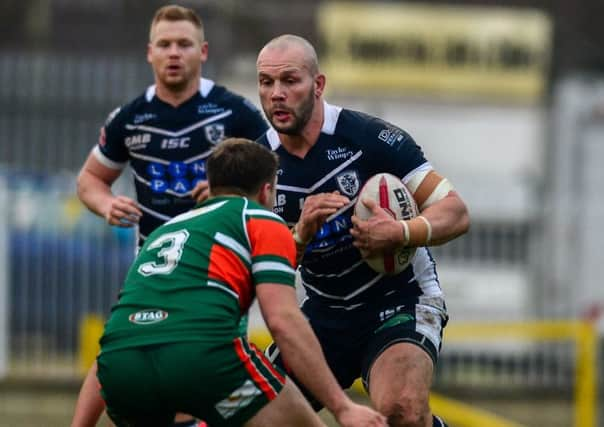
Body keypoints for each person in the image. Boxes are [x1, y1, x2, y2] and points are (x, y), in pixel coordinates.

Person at [92, 138, 387, 427]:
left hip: (119, 368)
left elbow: (118, 332)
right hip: (200, 356)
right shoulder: (260, 219)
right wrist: (343, 407)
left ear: (211, 185)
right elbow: (283, 320)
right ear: (266, 191)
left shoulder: (163, 231)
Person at [255, 34, 470, 427]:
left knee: (400, 411)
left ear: (318, 85)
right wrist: (299, 235)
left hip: (398, 298)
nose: (277, 94)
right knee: (255, 418)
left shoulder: (370, 139)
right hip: (322, 312)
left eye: (290, 80)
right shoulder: (257, 163)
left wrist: (403, 233)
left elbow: (455, 212)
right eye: (266, 83)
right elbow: (256, 264)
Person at [73, 5, 268, 427]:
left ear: (204, 51)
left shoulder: (233, 111)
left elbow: (275, 176)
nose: (174, 52)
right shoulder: (129, 119)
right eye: (164, 44)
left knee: (212, 352)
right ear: (149, 53)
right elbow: (89, 180)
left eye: (184, 44)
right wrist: (106, 204)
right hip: (155, 259)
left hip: (219, 259)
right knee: (122, 344)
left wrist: (227, 194)